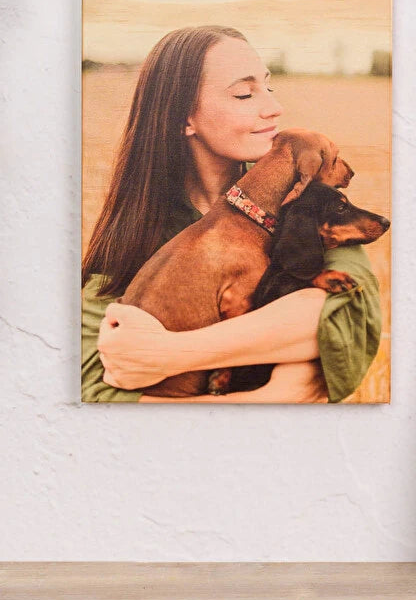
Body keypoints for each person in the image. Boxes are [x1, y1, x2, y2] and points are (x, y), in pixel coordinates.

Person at [81, 25, 382, 404]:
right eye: (243, 93)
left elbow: (347, 314)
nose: (274, 107)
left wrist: (162, 352)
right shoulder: (130, 240)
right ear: (183, 119)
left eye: (268, 87)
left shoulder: (304, 202)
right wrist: (275, 396)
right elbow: (95, 392)